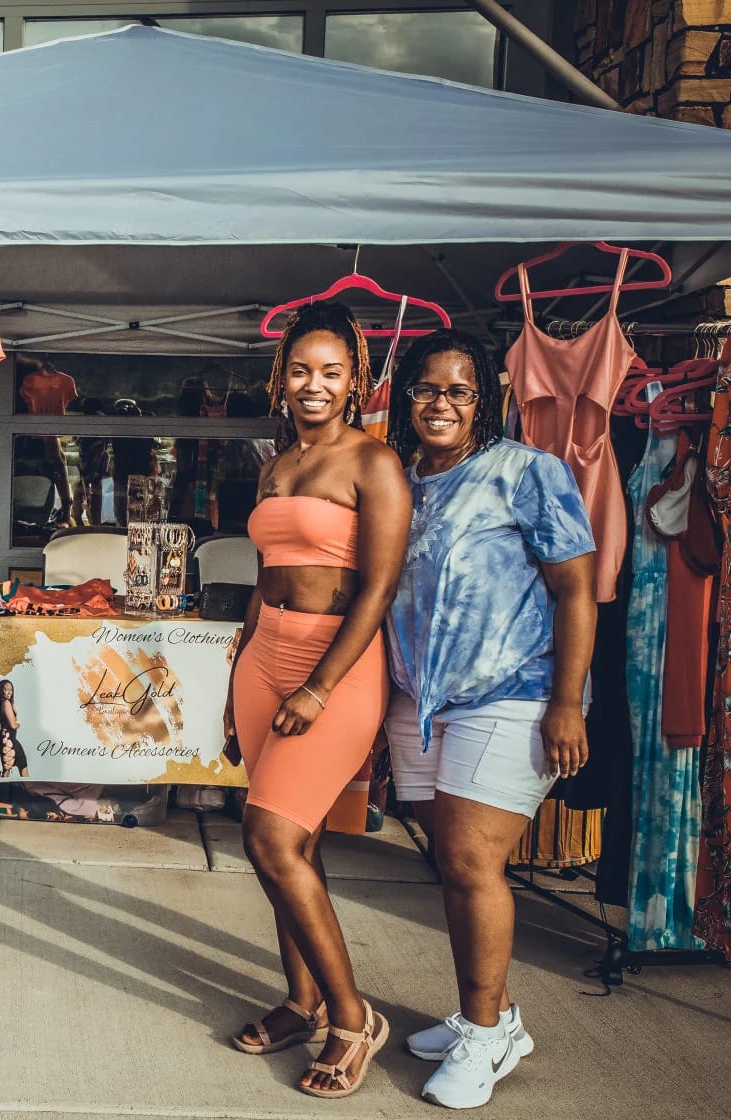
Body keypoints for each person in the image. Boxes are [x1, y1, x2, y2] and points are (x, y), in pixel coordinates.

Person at [383, 330, 595, 1109]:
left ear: (486, 399)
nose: (440, 402)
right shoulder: (400, 480)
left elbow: (576, 590)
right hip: (420, 700)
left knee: (473, 861)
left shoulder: (528, 472)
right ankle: (495, 1016)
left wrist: (566, 700)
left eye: (459, 389)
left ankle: (483, 1038)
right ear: (406, 397)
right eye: (426, 388)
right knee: (453, 863)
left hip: (514, 691)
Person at [224, 299, 410, 1099]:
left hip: (334, 663)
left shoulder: (374, 462)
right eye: (300, 369)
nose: (314, 384)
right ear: (281, 375)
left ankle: (352, 1018)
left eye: (331, 372)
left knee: (268, 838)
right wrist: (239, 672)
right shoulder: (276, 464)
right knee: (296, 847)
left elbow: (379, 589)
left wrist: (319, 684)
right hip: (263, 655)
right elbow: (264, 576)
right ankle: (301, 1002)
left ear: (354, 380)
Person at [0, 679, 28, 777]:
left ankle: (5, 782)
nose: (9, 692)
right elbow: (13, 725)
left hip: (8, 739)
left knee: (10, 768)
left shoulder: (4, 703)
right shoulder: (6, 703)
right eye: (6, 689)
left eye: (11, 690)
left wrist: (12, 703)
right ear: (1, 691)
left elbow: (14, 718)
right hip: (8, 740)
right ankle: (25, 784)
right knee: (17, 767)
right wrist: (18, 725)